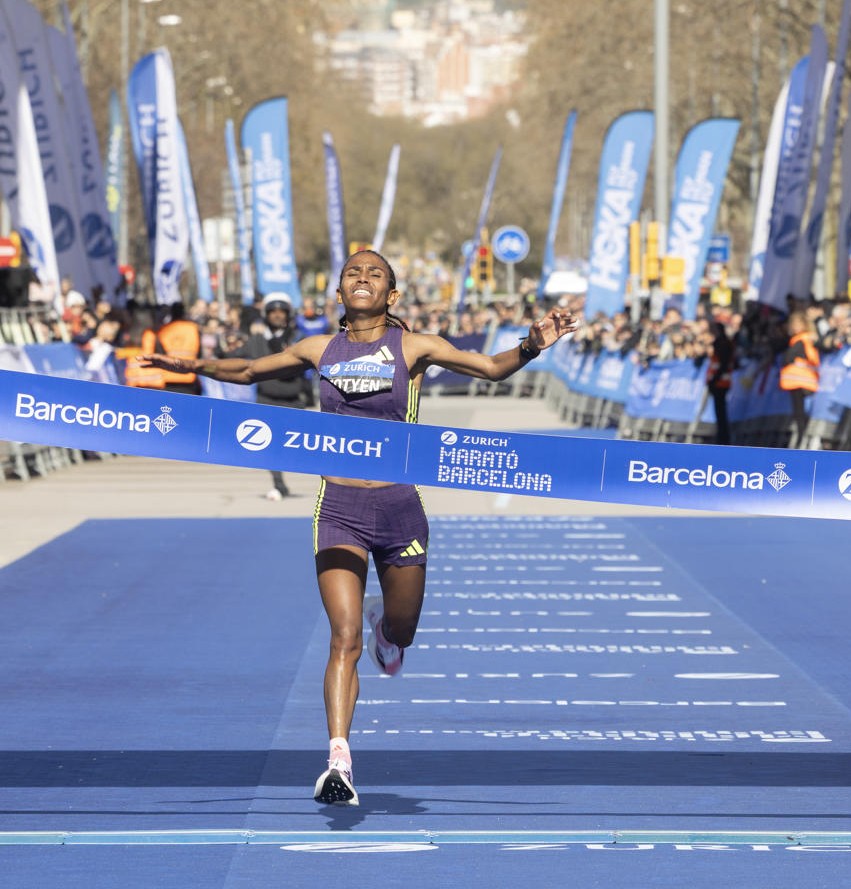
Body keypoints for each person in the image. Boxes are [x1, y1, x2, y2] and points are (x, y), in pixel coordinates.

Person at [144, 250, 575, 808]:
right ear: (339, 293)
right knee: (341, 638)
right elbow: (248, 371)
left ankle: (387, 631)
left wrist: (531, 344)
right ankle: (338, 760)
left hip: (400, 509)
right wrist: (192, 367)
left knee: (401, 631)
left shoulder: (415, 347)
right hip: (339, 509)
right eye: (353, 273)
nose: (363, 278)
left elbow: (490, 368)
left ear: (393, 295)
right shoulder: (318, 349)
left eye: (376, 274)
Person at [252, 292, 309, 501]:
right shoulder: (257, 338)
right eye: (272, 311)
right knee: (269, 446)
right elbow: (233, 356)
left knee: (298, 446)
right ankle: (279, 484)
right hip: (267, 399)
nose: (277, 315)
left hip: (293, 399)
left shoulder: (298, 337)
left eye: (281, 311)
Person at [154, 303, 203, 394]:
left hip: (168, 378)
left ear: (172, 313)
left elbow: (158, 353)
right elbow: (200, 353)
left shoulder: (163, 329)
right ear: (183, 313)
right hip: (189, 377)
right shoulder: (193, 328)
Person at [704, 317, 736, 445]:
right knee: (720, 411)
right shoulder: (722, 343)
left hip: (720, 383)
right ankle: (722, 436)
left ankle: (723, 438)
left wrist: (713, 381)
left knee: (721, 411)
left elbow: (722, 364)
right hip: (720, 382)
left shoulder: (722, 344)